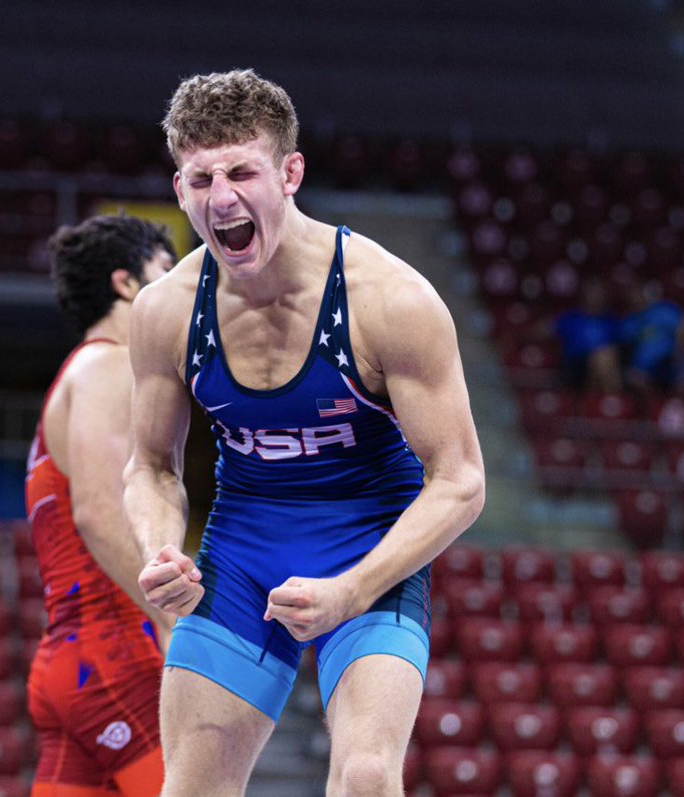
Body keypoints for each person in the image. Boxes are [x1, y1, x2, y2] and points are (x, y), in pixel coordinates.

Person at [122, 69, 485, 797]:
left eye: (241, 173)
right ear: (179, 189)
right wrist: (160, 547)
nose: (221, 198)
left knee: (366, 776)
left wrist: (353, 589)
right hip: (242, 552)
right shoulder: (165, 311)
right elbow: (151, 467)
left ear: (290, 174)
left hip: (368, 548)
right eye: (202, 179)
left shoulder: (390, 300)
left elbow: (461, 481)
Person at [25, 214, 177, 797]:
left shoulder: (80, 373)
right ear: (125, 283)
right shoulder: (108, 365)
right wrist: (172, 617)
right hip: (113, 654)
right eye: (165, 269)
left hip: (75, 658)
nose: (181, 288)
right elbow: (97, 512)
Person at [617, 280, 684, 396]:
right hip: (642, 370)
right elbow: (623, 348)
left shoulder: (663, 311)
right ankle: (655, 403)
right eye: (631, 296)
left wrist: (677, 347)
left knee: (683, 365)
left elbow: (683, 328)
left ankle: (679, 402)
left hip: (669, 362)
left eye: (637, 294)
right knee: (633, 377)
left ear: (644, 294)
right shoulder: (628, 322)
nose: (635, 299)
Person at [550, 278, 622, 393]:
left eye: (598, 294)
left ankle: (598, 401)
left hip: (604, 365)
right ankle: (608, 400)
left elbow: (618, 347)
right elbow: (545, 330)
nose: (595, 298)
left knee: (604, 358)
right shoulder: (569, 318)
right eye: (591, 293)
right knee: (602, 358)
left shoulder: (611, 321)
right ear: (583, 296)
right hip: (575, 365)